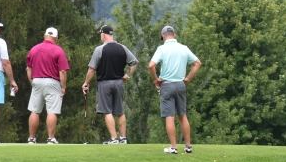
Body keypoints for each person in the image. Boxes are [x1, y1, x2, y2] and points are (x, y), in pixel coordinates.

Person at [148, 25, 201, 154]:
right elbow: (197, 63)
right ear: (174, 35)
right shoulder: (184, 48)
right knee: (182, 116)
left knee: (170, 117)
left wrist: (156, 79)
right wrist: (187, 79)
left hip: (166, 85)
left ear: (163, 36)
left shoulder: (162, 48)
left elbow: (151, 65)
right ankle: (188, 146)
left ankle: (173, 147)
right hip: (180, 84)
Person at [82, 25, 139, 144]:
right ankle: (123, 138)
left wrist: (86, 83)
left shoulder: (100, 49)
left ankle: (114, 138)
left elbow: (92, 70)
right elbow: (134, 62)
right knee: (119, 111)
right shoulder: (122, 48)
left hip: (104, 83)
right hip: (119, 82)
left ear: (103, 35)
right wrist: (127, 76)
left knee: (107, 111)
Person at [26, 27, 69, 144]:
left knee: (35, 110)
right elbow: (63, 71)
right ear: (56, 38)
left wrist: (32, 82)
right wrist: (63, 86)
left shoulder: (34, 49)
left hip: (37, 80)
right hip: (52, 82)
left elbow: (28, 68)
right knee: (52, 111)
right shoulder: (58, 50)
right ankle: (50, 138)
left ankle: (31, 138)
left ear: (45, 36)